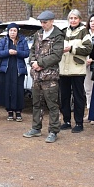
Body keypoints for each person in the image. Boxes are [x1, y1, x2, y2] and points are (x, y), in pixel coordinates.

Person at [23, 11, 64, 143]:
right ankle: (36, 128)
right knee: (36, 103)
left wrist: (40, 63)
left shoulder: (58, 35)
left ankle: (53, 131)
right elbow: (32, 51)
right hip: (37, 75)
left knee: (52, 105)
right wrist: (33, 63)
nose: (43, 24)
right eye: (41, 22)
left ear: (52, 21)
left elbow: (57, 55)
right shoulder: (38, 34)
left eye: (45, 22)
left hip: (50, 76)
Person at [59, 9, 92, 133]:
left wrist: (72, 49)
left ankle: (79, 122)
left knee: (78, 97)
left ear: (80, 19)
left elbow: (88, 49)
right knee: (64, 96)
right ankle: (66, 121)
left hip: (77, 69)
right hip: (63, 69)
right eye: (71, 18)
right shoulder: (63, 32)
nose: (73, 20)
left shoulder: (84, 32)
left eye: (75, 18)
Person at [0, 23, 30, 122]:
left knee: (18, 90)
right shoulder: (3, 40)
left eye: (14, 31)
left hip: (18, 70)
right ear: (8, 31)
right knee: (8, 90)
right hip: (6, 69)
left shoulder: (22, 40)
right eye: (11, 30)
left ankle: (18, 111)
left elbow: (27, 53)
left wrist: (17, 52)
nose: (12, 32)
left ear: (17, 31)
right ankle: (9, 111)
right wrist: (8, 52)